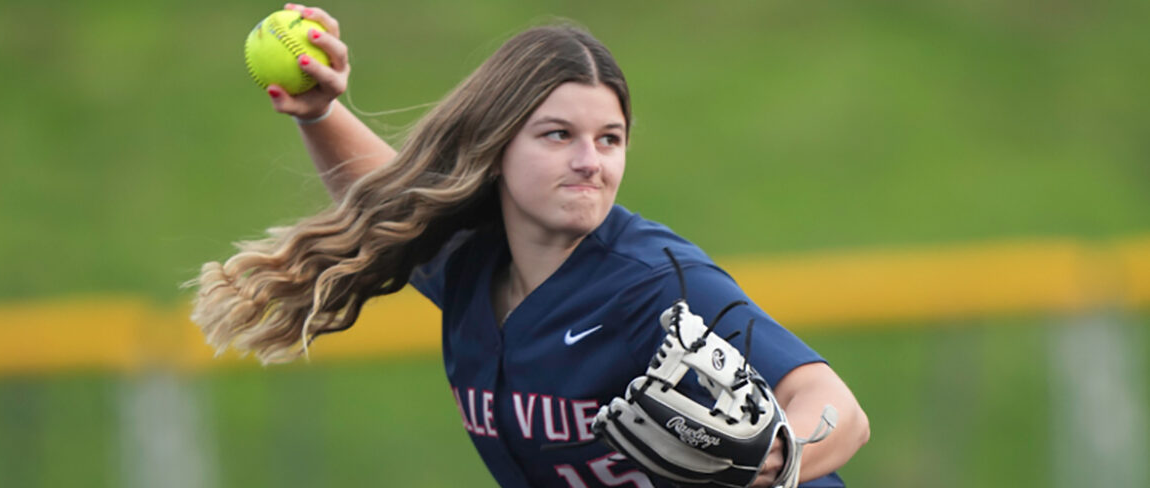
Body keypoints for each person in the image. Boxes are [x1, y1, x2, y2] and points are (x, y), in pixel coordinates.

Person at [192, 4, 869, 487]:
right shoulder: (471, 262)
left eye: (609, 138)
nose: (590, 161)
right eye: (557, 135)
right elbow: (383, 198)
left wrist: (779, 456)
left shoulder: (656, 284)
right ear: (495, 146)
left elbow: (834, 405)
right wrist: (320, 112)